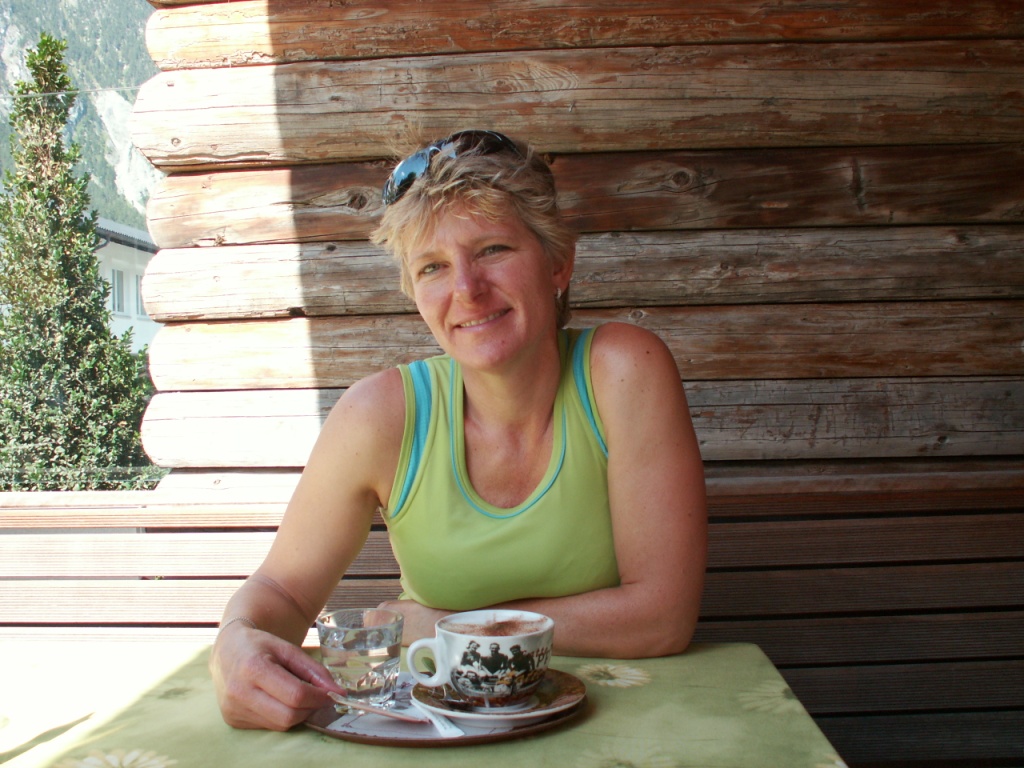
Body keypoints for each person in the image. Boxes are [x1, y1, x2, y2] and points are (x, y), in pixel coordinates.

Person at [210, 129, 707, 731]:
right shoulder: (378, 415)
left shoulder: (624, 371)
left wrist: (444, 628)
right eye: (434, 267)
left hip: (615, 728)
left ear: (558, 262)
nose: (467, 290)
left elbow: (662, 618)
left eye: (493, 249)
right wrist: (234, 644)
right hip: (440, 734)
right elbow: (283, 593)